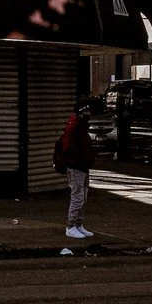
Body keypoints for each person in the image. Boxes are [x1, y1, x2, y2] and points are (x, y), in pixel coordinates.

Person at [53, 98, 98, 241]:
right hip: (76, 167)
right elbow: (69, 148)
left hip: (81, 166)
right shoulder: (75, 127)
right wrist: (78, 160)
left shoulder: (80, 126)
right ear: (82, 112)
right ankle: (71, 226)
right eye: (87, 111)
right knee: (78, 197)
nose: (89, 113)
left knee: (82, 196)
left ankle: (78, 224)